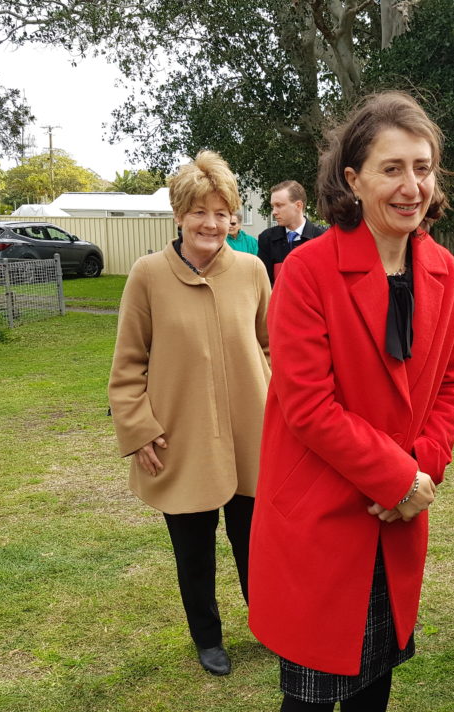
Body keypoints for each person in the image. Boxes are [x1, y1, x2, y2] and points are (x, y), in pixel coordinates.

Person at [248, 91, 454, 712]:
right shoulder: (308, 272)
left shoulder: (447, 273)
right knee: (313, 687)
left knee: (377, 670)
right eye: (392, 169)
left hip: (398, 513)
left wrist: (422, 471)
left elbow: (453, 388)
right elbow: (307, 404)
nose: (412, 186)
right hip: (325, 509)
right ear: (353, 179)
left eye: (423, 168)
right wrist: (399, 476)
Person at [109, 150, 270, 677]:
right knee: (194, 552)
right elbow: (128, 364)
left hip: (253, 439)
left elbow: (272, 349)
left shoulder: (252, 271)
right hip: (181, 440)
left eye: (223, 213)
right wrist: (138, 431)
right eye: (200, 212)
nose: (212, 223)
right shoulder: (148, 275)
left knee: (257, 547)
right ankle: (208, 637)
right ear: (179, 215)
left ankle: (269, 625)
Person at [256, 180, 326, 285]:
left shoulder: (321, 239)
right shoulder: (267, 238)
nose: (274, 212)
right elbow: (263, 283)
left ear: (298, 205)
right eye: (273, 206)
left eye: (279, 205)